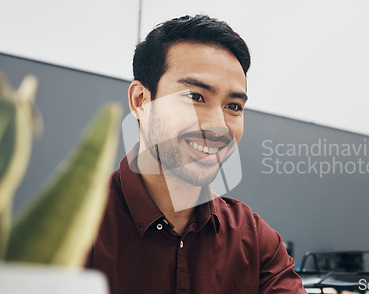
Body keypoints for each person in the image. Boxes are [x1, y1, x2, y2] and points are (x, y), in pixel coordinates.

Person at [86, 14, 307, 294]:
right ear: (140, 101)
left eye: (234, 106)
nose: (218, 126)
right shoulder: (75, 227)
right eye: (195, 97)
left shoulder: (256, 242)